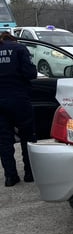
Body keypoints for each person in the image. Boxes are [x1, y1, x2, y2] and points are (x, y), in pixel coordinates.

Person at [0, 31, 37, 186]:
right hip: (19, 99)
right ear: (12, 39)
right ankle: (30, 173)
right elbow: (30, 74)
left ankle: (10, 177)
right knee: (27, 136)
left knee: (4, 141)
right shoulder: (19, 49)